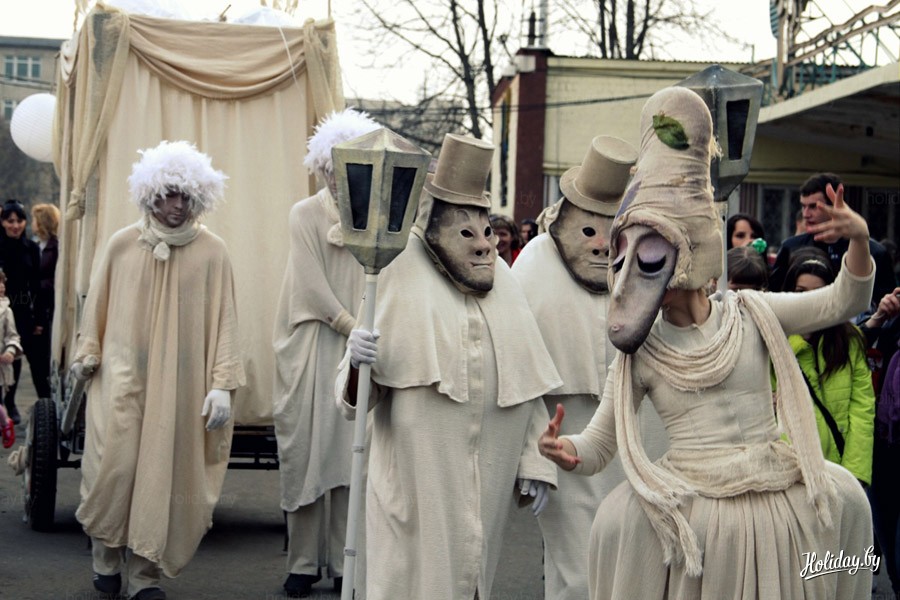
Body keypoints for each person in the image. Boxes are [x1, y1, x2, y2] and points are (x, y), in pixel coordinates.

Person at [538, 86, 875, 599]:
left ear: (691, 253)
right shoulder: (640, 354)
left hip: (776, 500)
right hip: (696, 518)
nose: (634, 275)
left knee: (849, 503)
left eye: (653, 257)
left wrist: (859, 238)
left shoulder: (753, 313)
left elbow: (842, 302)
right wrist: (564, 450)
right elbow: (600, 445)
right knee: (614, 525)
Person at [339, 133, 561, 600]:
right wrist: (358, 361)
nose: (483, 246)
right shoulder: (398, 267)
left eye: (488, 232)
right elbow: (356, 401)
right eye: (467, 233)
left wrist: (533, 460)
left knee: (472, 574)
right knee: (408, 577)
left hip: (489, 474)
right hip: (416, 476)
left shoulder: (503, 280)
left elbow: (526, 381)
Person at [70, 140, 244, 600]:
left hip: (179, 386)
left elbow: (226, 319)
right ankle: (105, 559)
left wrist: (222, 384)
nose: (177, 205)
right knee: (115, 469)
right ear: (150, 194)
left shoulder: (213, 252)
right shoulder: (122, 244)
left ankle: (145, 576)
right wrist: (88, 351)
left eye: (185, 196)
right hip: (121, 380)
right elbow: (98, 303)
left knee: (161, 474)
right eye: (168, 194)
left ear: (199, 197)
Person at [512, 135, 668, 600]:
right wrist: (530, 457)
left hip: (636, 433)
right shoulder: (535, 263)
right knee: (578, 573)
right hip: (564, 432)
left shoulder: (644, 260)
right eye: (589, 230)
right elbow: (517, 368)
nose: (601, 245)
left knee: (634, 564)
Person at [272, 108, 379, 598]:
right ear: (321, 168)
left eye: (349, 168)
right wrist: (352, 326)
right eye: (332, 168)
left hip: (360, 345)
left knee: (351, 452)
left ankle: (342, 561)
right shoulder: (304, 214)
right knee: (307, 451)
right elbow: (311, 285)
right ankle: (301, 562)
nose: (339, 178)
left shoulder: (376, 219)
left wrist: (367, 333)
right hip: (315, 342)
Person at [776, 246, 875, 486]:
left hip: (840, 473)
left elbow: (862, 410)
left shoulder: (850, 341)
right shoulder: (772, 341)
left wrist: (854, 477)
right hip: (789, 477)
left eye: (819, 293)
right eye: (800, 292)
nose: (809, 301)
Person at [769, 172, 896, 307]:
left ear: (835, 206)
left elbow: (887, 302)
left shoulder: (873, 252)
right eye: (803, 206)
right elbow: (774, 294)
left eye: (813, 206)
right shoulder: (791, 247)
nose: (805, 214)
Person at [859, 287, 900, 595]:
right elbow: (850, 347)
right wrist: (878, 317)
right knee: (885, 534)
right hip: (884, 448)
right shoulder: (891, 323)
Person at [0, 199, 49, 423]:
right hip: (2, 310)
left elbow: (36, 285)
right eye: (10, 221)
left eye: (19, 221)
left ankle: (17, 402)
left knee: (23, 356)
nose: (15, 226)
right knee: (8, 357)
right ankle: (7, 404)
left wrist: (39, 318)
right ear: (3, 222)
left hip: (23, 310)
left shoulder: (31, 248)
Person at [30, 203, 59, 395]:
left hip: (47, 308)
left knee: (41, 357)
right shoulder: (36, 246)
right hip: (36, 307)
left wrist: (36, 285)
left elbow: (55, 279)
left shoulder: (54, 248)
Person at [0, 270, 22, 448]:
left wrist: (10, 350)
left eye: (3, 283)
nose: (1, 287)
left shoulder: (6, 311)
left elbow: (13, 336)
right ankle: (4, 421)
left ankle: (5, 422)